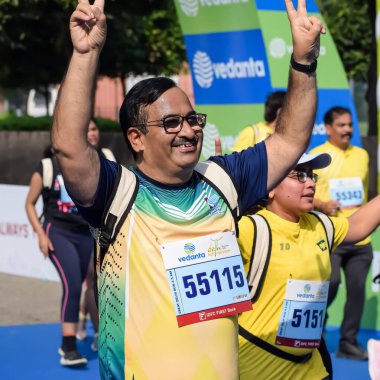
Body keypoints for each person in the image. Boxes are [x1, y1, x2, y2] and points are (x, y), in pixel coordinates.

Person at [51, 0, 325, 378]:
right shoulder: (116, 192)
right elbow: (68, 146)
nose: (189, 130)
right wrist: (85, 53)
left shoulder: (223, 180)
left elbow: (291, 140)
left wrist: (303, 62)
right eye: (172, 123)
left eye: (193, 119)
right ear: (136, 137)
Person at [237, 152, 380, 379]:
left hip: (313, 369)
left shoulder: (319, 224)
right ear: (270, 187)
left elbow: (358, 225)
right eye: (299, 175)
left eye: (312, 176)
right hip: (259, 369)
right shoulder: (249, 229)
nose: (311, 182)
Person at [310, 106, 372, 360]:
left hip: (360, 238)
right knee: (330, 284)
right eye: (341, 125)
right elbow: (302, 193)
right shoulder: (316, 156)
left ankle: (348, 342)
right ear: (327, 128)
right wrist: (323, 205)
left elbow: (366, 192)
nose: (347, 130)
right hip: (331, 234)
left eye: (350, 125)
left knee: (357, 290)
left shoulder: (363, 155)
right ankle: (314, 331)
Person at [25, 146, 93, 368]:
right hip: (57, 232)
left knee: (81, 285)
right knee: (72, 285)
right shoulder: (47, 166)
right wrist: (40, 235)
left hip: (84, 234)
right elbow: (29, 203)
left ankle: (78, 332)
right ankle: (69, 347)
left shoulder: (87, 164)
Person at [76, 117, 116, 352]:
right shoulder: (74, 161)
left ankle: (92, 324)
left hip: (104, 229)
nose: (91, 133)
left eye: (94, 128)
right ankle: (98, 333)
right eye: (87, 129)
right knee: (90, 279)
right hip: (80, 230)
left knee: (99, 280)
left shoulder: (108, 154)